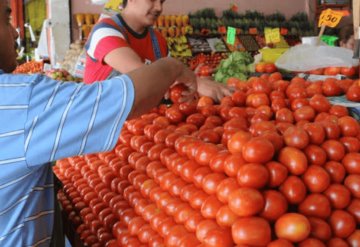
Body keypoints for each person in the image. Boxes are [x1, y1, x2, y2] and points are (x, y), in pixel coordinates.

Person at [0, 1, 197, 246]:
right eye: (7, 20)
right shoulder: (21, 99)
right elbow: (127, 97)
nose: (16, 32)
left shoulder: (158, 38)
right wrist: (174, 66)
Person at [84, 0, 232, 102]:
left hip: (140, 131)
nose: (159, 8)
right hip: (101, 131)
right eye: (152, 0)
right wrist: (196, 82)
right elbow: (140, 72)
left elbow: (169, 87)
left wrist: (191, 83)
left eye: (161, 1)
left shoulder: (159, 41)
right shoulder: (105, 31)